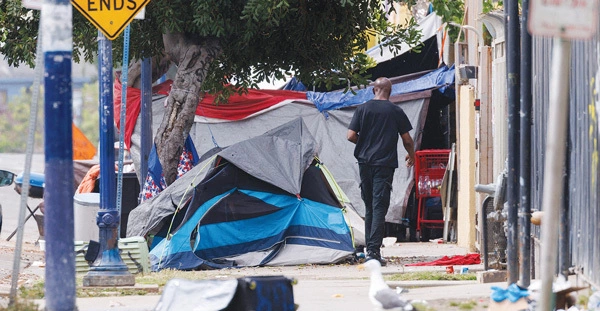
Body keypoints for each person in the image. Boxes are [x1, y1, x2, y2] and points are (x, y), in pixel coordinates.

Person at [347, 77, 415, 266]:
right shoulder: (395, 111)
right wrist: (412, 155)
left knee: (369, 205)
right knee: (379, 207)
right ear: (390, 92)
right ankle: (373, 253)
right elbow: (407, 140)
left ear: (373, 90)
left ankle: (370, 249)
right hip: (384, 164)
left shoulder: (362, 109)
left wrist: (364, 143)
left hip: (364, 163)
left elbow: (350, 135)